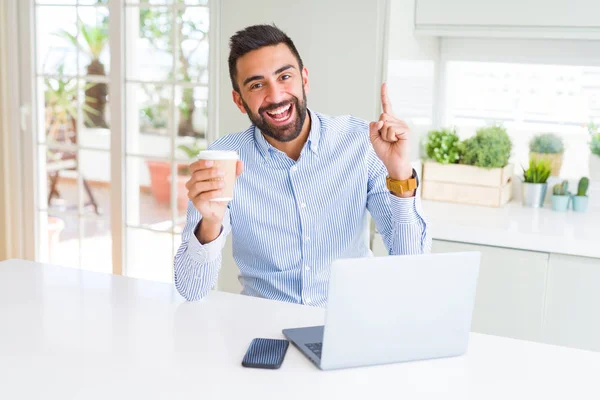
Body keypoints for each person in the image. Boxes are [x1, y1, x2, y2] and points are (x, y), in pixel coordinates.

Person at [174, 24, 431, 305]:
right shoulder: (223, 160)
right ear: (239, 100)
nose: (275, 96)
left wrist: (400, 172)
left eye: (284, 76)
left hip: (347, 323)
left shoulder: (362, 143)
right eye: (257, 85)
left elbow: (412, 265)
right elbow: (191, 289)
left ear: (304, 79)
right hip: (264, 327)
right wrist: (210, 224)